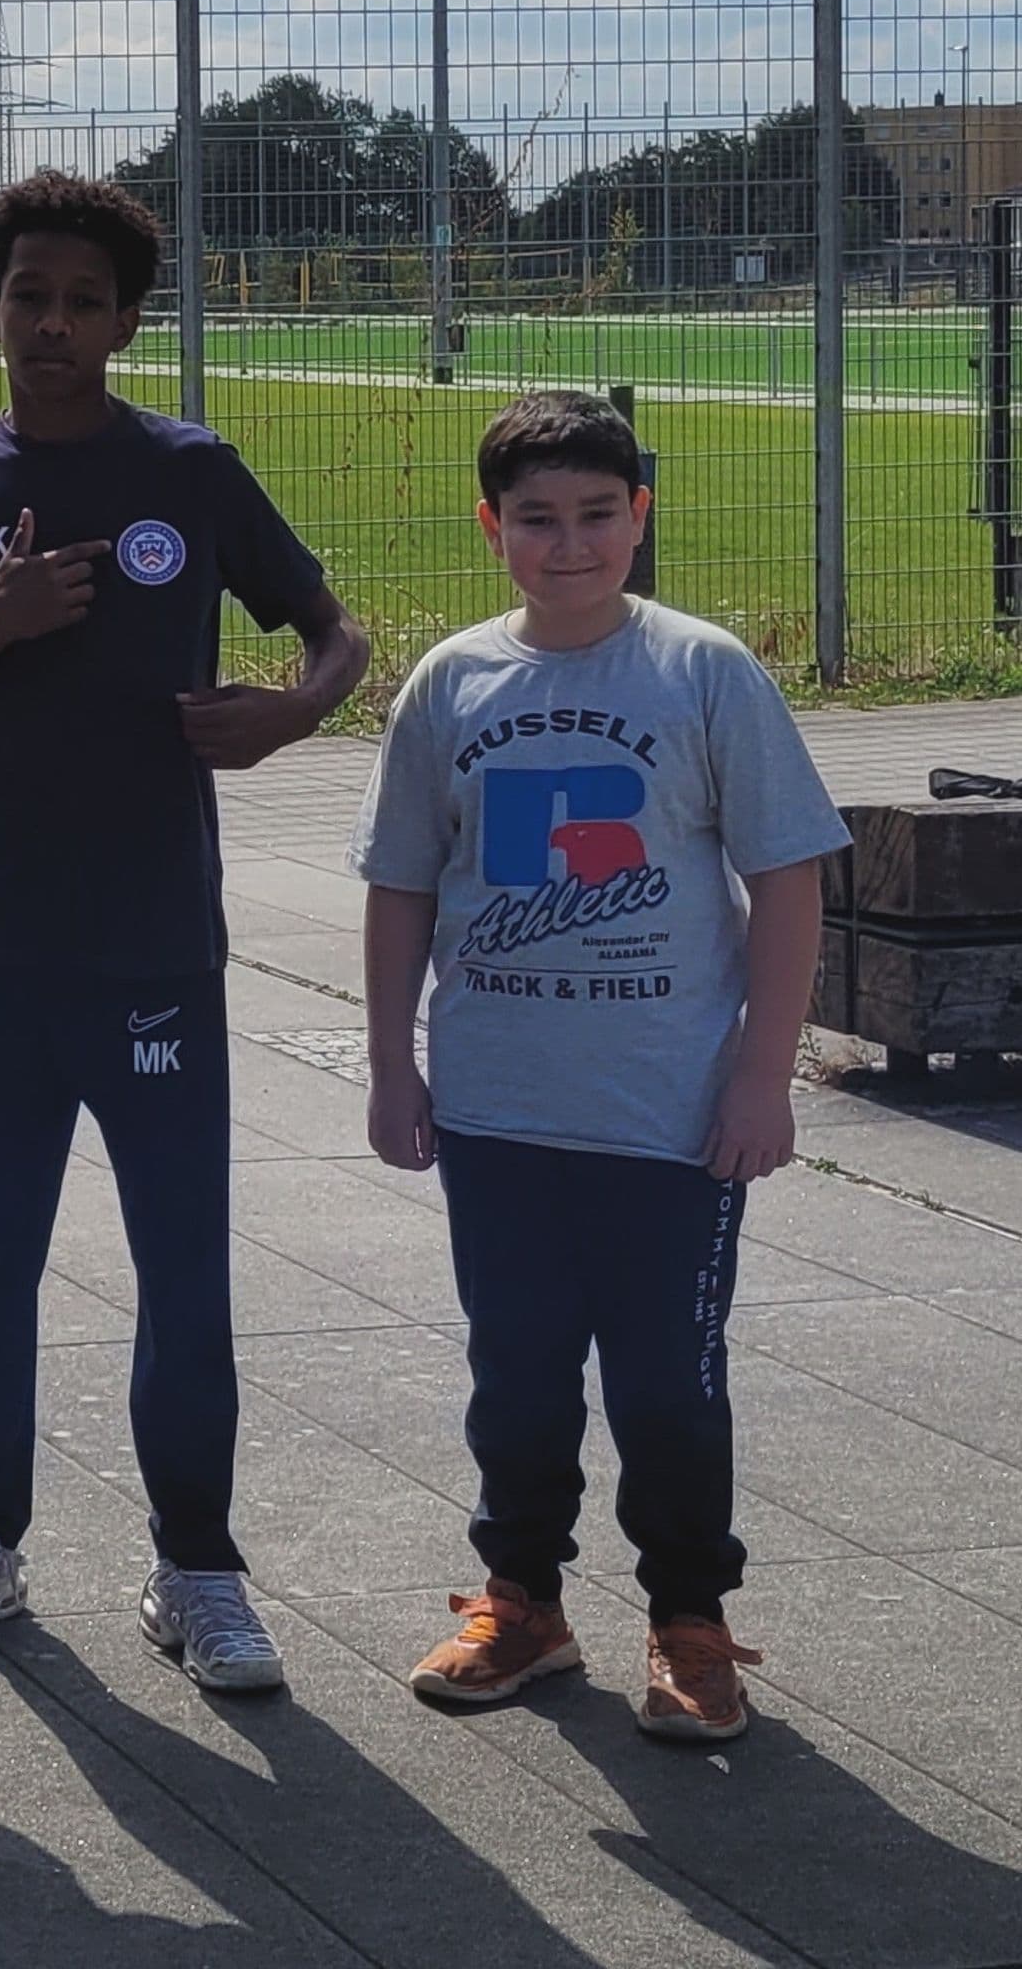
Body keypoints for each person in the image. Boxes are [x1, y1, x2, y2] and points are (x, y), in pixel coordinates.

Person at [0, 168, 369, 1696]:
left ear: (130, 320)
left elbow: (333, 630)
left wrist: (289, 714)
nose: (56, 324)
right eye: (31, 295)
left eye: (88, 301)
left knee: (182, 1268)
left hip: (155, 944)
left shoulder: (191, 473)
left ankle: (197, 1565)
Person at [356, 387, 845, 1745]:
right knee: (512, 1371)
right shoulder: (452, 683)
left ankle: (689, 1619)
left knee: (667, 1386)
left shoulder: (702, 674)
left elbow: (787, 882)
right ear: (491, 525)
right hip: (503, 1114)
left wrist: (764, 1077)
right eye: (535, 519)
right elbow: (401, 888)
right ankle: (523, 1600)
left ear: (640, 517)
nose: (566, 544)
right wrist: (395, 1068)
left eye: (593, 516)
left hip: (670, 1119)